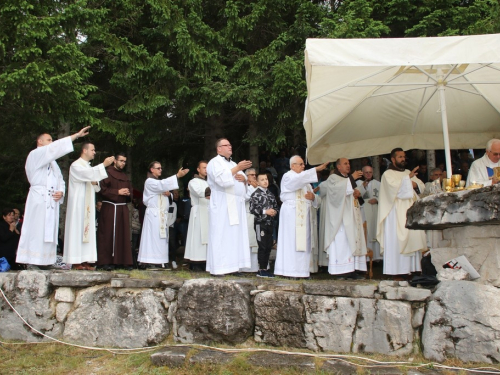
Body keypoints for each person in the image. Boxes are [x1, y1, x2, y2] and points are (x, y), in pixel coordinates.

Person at [16, 126, 90, 269]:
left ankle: (46, 260)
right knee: (36, 229)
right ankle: (31, 260)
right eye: (48, 140)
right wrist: (75, 136)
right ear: (40, 141)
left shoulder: (53, 163)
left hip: (51, 200)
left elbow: (60, 179)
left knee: (50, 231)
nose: (51, 142)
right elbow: (54, 149)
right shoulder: (35, 154)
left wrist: (61, 191)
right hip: (39, 198)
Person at [275, 156, 329, 279]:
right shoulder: (288, 176)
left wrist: (313, 197)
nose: (303, 166)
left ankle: (302, 271)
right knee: (291, 242)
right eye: (300, 164)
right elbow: (296, 182)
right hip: (291, 214)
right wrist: (315, 169)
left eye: (303, 164)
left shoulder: (307, 183)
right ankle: (289, 271)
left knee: (304, 243)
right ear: (292, 166)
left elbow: (317, 201)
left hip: (304, 216)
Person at [377, 148, 427, 279]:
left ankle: (413, 269)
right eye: (399, 157)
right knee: (397, 240)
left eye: (404, 156)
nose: (403, 159)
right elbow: (395, 190)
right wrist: (408, 180)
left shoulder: (407, 172)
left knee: (412, 236)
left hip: (410, 210)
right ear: (393, 159)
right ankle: (397, 271)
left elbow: (421, 186)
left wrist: (413, 183)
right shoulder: (388, 174)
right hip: (395, 213)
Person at [63, 143, 114, 270]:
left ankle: (86, 260)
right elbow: (88, 174)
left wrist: (95, 182)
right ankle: (75, 261)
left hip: (88, 205)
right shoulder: (76, 165)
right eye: (92, 150)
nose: (94, 152)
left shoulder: (87, 166)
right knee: (77, 229)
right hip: (78, 205)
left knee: (87, 231)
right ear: (84, 150)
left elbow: (96, 187)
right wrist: (104, 165)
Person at [206, 138, 252, 276]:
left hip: (236, 204)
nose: (230, 147)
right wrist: (238, 168)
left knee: (235, 236)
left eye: (231, 145)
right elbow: (221, 180)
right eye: (226, 145)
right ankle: (219, 267)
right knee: (221, 234)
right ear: (219, 149)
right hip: (222, 204)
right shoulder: (214, 162)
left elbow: (243, 182)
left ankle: (234, 266)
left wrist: (244, 180)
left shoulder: (232, 163)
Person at [321, 159, 367, 279]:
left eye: (349, 163)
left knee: (351, 241)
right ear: (338, 166)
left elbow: (353, 194)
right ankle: (340, 271)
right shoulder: (333, 178)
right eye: (345, 164)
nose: (348, 166)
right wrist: (352, 178)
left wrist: (357, 194)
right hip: (339, 219)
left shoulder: (347, 179)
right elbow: (337, 194)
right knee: (342, 243)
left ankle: (352, 270)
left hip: (351, 216)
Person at [138, 162, 189, 269]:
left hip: (161, 215)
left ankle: (161, 261)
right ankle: (149, 260)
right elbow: (161, 186)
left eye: (161, 168)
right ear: (152, 169)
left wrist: (169, 194)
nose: (161, 170)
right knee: (153, 238)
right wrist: (177, 176)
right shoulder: (149, 181)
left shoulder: (158, 182)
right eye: (158, 168)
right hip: (154, 215)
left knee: (162, 239)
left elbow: (166, 192)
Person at [97, 152, 134, 271]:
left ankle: (121, 261)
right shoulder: (107, 173)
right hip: (110, 207)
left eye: (124, 161)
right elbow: (102, 190)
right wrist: (117, 192)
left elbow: (131, 192)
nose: (123, 163)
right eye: (121, 161)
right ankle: (106, 261)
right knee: (108, 234)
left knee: (122, 234)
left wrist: (128, 194)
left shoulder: (124, 176)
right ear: (115, 161)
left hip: (122, 208)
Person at [250, 172, 279, 277]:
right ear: (257, 182)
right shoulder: (255, 194)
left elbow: (276, 206)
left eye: (266, 179)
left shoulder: (270, 194)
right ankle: (261, 269)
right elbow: (252, 209)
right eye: (262, 180)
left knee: (268, 246)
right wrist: (265, 211)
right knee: (262, 246)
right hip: (260, 223)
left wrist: (274, 212)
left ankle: (266, 268)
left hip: (269, 223)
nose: (265, 181)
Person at [184, 161, 210, 271]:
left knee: (208, 237)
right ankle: (195, 261)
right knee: (197, 237)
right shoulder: (193, 182)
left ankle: (206, 261)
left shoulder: (210, 182)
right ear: (198, 169)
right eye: (203, 168)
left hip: (209, 212)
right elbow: (200, 192)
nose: (206, 170)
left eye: (207, 168)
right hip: (199, 211)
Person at [356, 166, 382, 261]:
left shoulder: (378, 184)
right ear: (362, 173)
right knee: (365, 231)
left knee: (375, 230)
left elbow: (384, 196)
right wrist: (363, 186)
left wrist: (377, 200)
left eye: (370, 172)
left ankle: (377, 257)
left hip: (375, 211)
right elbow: (356, 197)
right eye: (366, 172)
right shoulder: (358, 183)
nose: (368, 174)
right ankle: (366, 256)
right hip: (363, 211)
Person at [241, 168, 259, 272]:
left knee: (256, 241)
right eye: (251, 175)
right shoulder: (244, 187)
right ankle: (245, 267)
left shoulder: (256, 186)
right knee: (248, 241)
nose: (254, 176)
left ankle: (255, 266)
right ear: (246, 177)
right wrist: (253, 187)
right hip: (246, 216)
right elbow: (245, 198)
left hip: (256, 216)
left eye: (255, 174)